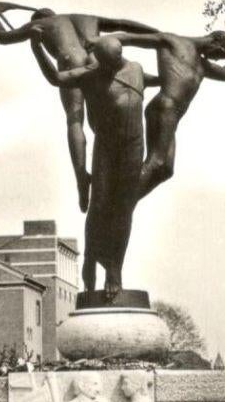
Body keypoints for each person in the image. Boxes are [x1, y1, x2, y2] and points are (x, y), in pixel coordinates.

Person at [0, 0, 157, 213]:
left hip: (71, 62)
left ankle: (82, 178)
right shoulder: (86, 17)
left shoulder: (40, 23)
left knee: (75, 119)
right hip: (96, 57)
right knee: (100, 115)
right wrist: (157, 33)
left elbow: (2, 36)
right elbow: (125, 25)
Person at [30, 31, 158, 299]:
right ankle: (90, 257)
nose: (113, 67)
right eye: (108, 64)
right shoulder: (91, 75)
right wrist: (36, 46)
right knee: (98, 207)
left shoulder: (136, 69)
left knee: (124, 210)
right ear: (99, 60)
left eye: (117, 60)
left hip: (134, 149)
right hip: (107, 150)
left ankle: (114, 270)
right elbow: (56, 78)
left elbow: (162, 80)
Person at [88, 28, 225, 200]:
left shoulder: (202, 64)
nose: (215, 59)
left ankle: (125, 201)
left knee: (166, 169)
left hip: (171, 115)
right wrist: (98, 41)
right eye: (218, 55)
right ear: (216, 43)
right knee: (156, 162)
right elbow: (129, 38)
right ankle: (119, 203)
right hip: (165, 108)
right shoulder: (172, 41)